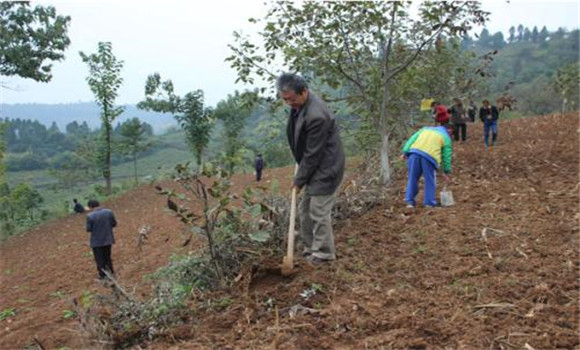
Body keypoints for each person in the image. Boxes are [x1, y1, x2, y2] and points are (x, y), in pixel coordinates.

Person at [277, 73, 345, 265]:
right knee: (304, 209)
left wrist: (299, 180)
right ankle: (310, 250)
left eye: (292, 99)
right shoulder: (299, 105)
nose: (289, 103)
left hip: (326, 167)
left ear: (304, 91)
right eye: (285, 100)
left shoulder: (317, 115)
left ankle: (324, 254)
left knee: (318, 210)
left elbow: (313, 154)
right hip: (313, 164)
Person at [401, 125, 452, 208]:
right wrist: (446, 170)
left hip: (414, 153)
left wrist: (405, 151)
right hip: (429, 157)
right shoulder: (445, 137)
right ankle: (429, 203)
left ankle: (409, 202)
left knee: (412, 178)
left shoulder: (424, 130)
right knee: (429, 180)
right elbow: (446, 155)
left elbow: (412, 139)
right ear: (449, 131)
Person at [86, 199, 117, 280]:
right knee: (107, 257)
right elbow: (114, 224)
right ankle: (111, 272)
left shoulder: (90, 216)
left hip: (96, 241)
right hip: (108, 238)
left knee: (99, 259)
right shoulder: (109, 212)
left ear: (90, 207)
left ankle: (103, 275)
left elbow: (89, 229)